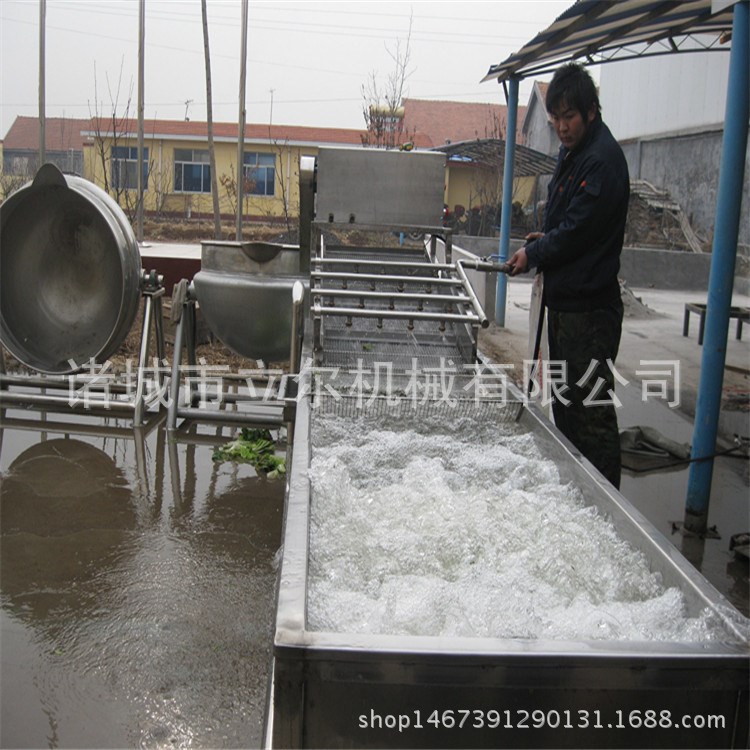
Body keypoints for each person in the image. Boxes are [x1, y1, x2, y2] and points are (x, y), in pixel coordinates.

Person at [507, 62, 630, 488]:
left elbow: (578, 232)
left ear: (591, 111)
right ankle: (577, 493)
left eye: (569, 117)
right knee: (563, 401)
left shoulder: (601, 162)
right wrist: (546, 238)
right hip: (566, 304)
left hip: (589, 312)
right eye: (555, 118)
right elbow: (570, 224)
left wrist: (534, 251)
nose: (561, 126)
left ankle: (609, 507)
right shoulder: (574, 152)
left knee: (590, 412)